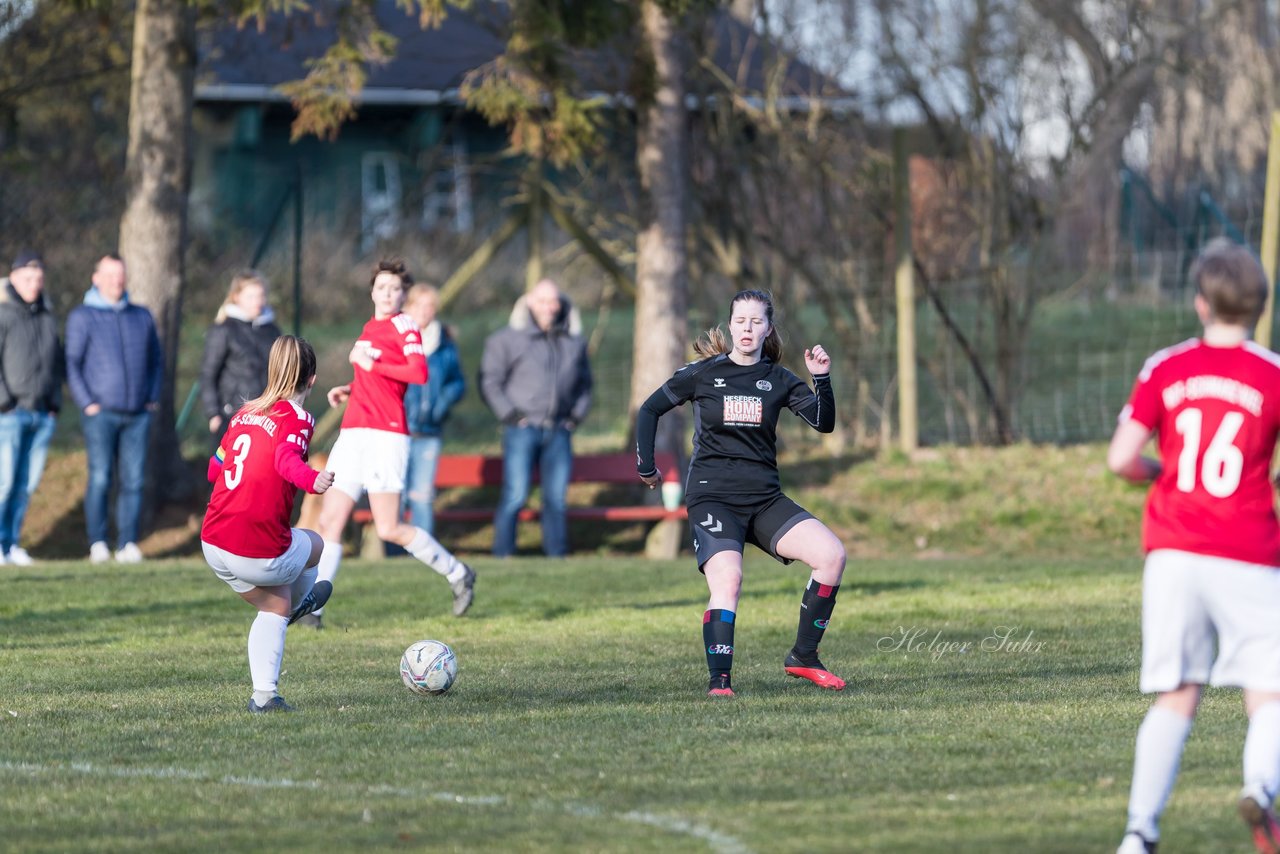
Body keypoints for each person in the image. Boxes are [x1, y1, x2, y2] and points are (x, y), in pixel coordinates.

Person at [1109, 239, 1280, 854]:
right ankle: (1261, 789)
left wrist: (1161, 474)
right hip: (1249, 549)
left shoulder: (1166, 366)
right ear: (1259, 306)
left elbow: (1121, 458)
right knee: (1270, 691)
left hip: (1174, 550)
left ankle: (1138, 834)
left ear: (1201, 304)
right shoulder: (1274, 374)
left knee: (1177, 695)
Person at [634, 289, 845, 698]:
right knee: (728, 578)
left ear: (768, 329)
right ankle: (720, 683)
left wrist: (821, 378)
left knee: (832, 555)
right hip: (713, 498)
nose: (747, 329)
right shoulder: (703, 373)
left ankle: (804, 657)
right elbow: (649, 409)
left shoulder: (779, 380)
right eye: (740, 321)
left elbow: (823, 423)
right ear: (730, 325)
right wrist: (646, 466)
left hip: (764, 500)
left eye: (756, 322)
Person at [290, 258, 475, 628]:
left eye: (395, 289)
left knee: (388, 527)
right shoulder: (370, 327)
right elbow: (379, 379)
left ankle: (458, 573)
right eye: (382, 287)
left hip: (387, 436)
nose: (388, 294)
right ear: (372, 291)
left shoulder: (405, 324)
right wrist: (352, 387)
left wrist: (372, 369)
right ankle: (315, 610)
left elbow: (417, 373)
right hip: (354, 432)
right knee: (330, 520)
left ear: (402, 295)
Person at [202, 335, 334, 713]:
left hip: (213, 542)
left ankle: (264, 697)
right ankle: (303, 603)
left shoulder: (244, 413)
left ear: (271, 370)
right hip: (256, 549)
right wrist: (313, 480)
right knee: (317, 546)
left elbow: (216, 466)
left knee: (274, 605)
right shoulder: (299, 417)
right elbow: (286, 461)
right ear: (311, 380)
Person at [479, 278, 593, 558]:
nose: (548, 307)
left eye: (553, 301)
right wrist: (510, 414)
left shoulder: (574, 341)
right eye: (542, 301)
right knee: (515, 495)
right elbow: (490, 382)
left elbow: (585, 385)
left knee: (556, 499)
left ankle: (557, 556)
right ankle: (502, 555)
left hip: (559, 430)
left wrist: (575, 417)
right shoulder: (505, 340)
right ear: (530, 302)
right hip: (521, 429)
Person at [65, 253, 163, 564]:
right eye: (109, 275)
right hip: (100, 414)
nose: (116, 281)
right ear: (96, 278)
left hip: (137, 413)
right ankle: (97, 543)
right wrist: (87, 403)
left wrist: (151, 396)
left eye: (120, 275)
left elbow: (155, 361)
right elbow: (72, 363)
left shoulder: (141, 315)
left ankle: (128, 543)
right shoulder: (82, 316)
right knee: (100, 478)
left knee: (133, 480)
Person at [0, 251, 63, 566]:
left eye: (38, 279)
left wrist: (54, 403)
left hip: (41, 414)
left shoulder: (46, 316)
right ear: (13, 277)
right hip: (9, 415)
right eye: (28, 278)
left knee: (26, 485)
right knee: (5, 482)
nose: (34, 284)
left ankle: (12, 545)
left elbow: (55, 364)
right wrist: (5, 402)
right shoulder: (4, 314)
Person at [402, 283, 466, 535]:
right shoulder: (397, 340)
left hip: (430, 432)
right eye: (419, 305)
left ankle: (422, 554)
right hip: (399, 431)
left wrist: (443, 402)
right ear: (408, 307)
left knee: (422, 497)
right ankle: (394, 556)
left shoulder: (445, 345)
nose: (425, 312)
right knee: (396, 497)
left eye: (430, 306)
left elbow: (457, 382)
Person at [199, 270, 283, 443]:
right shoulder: (224, 330)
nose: (257, 302)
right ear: (236, 297)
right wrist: (213, 413)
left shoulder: (272, 330)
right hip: (232, 415)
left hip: (268, 416)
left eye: (260, 296)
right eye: (251, 297)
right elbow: (208, 374)